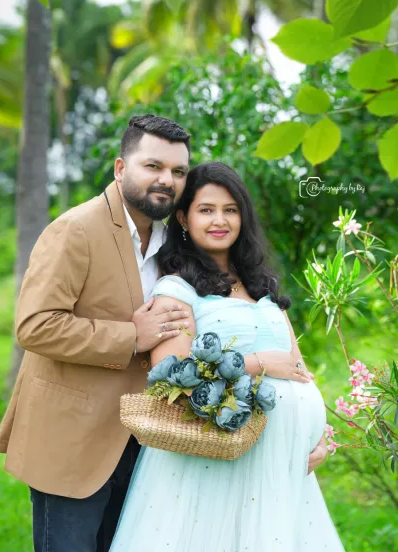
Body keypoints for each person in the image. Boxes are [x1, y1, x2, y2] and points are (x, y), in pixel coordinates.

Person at [110, 162, 345, 552]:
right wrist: (259, 364)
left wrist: (319, 437)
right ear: (183, 217)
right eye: (206, 209)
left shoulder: (261, 286)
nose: (220, 220)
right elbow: (174, 381)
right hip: (214, 466)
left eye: (230, 209)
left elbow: (299, 370)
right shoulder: (176, 289)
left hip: (279, 468)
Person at [0, 114, 192, 552]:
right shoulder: (75, 230)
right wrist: (129, 337)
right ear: (121, 169)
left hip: (141, 445)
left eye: (178, 172)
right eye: (153, 166)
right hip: (72, 443)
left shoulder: (172, 242)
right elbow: (34, 325)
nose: (167, 180)